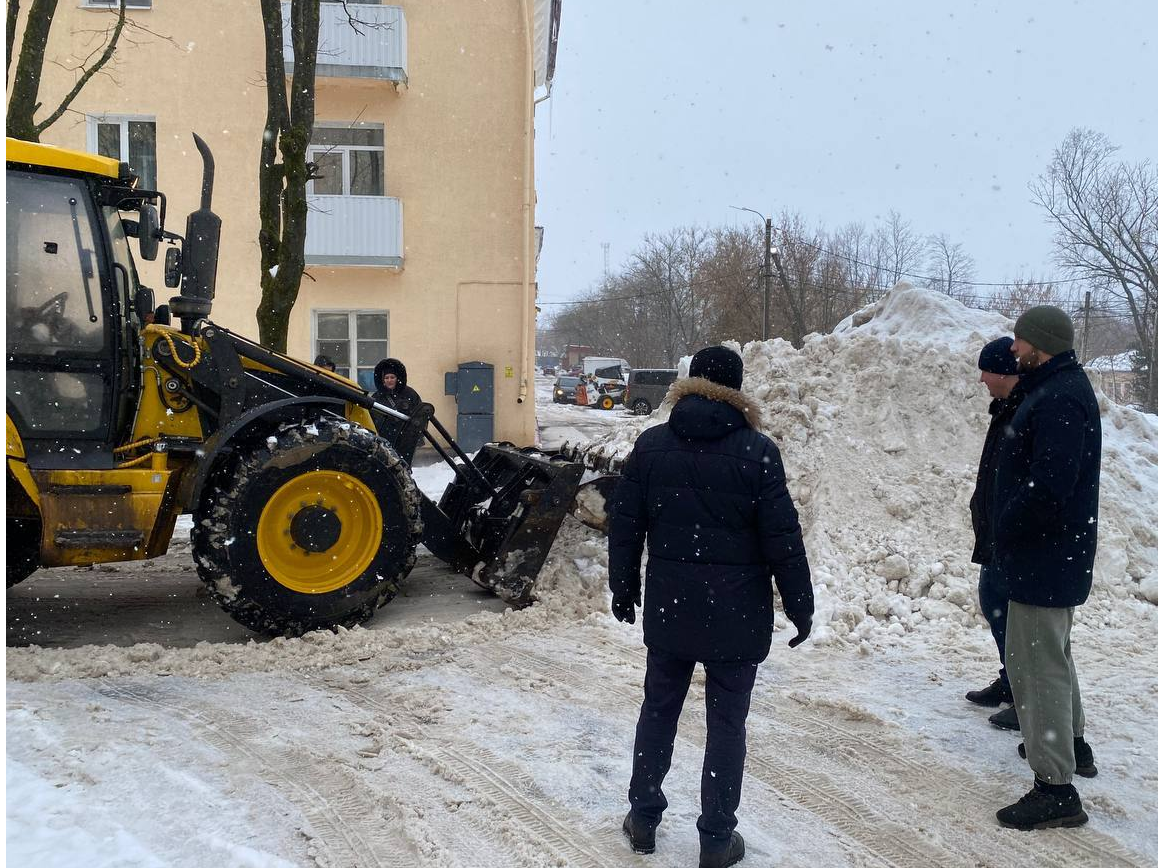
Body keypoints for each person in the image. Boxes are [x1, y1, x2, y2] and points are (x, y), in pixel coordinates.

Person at [609, 345, 814, 868]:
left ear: (689, 383)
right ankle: (717, 839)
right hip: (737, 615)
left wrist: (623, 585)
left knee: (658, 711)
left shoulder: (652, 447)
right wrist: (800, 603)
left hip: (671, 607)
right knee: (727, 725)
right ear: (737, 389)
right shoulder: (758, 451)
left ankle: (644, 820)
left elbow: (626, 524)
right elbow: (782, 538)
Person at [992, 306, 1100, 831]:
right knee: (1052, 657)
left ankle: (1055, 789)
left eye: (1020, 341)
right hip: (1054, 554)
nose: (1014, 349)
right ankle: (1072, 746)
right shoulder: (1058, 387)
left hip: (1044, 555)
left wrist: (1007, 525)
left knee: (1036, 668)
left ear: (1042, 344)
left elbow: (1049, 485)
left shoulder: (1059, 397)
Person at [964, 337, 1021, 725]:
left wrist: (1011, 523)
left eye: (987, 370)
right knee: (994, 603)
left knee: (1019, 620)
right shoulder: (1005, 409)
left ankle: (1027, 695)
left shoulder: (1025, 412)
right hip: (997, 531)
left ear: (1005, 371)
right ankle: (1012, 680)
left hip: (1013, 534)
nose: (982, 378)